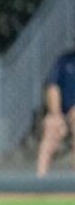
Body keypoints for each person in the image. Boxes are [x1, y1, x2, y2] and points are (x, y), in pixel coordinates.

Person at [36, 49, 75, 178]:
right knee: (51, 127)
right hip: (61, 111)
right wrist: (56, 114)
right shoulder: (64, 61)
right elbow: (53, 87)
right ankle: (40, 177)